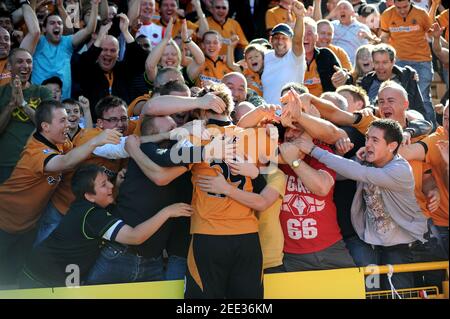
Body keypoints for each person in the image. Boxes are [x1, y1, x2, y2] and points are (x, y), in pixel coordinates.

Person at [295, 117, 428, 289]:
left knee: (398, 294)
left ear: (392, 146)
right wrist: (342, 157)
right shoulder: (367, 160)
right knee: (369, 293)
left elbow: (358, 172)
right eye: (367, 138)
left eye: (375, 140)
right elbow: (343, 174)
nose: (368, 144)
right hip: (369, 241)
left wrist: (313, 150)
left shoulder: (400, 169)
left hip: (399, 245)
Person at [0, 99, 121, 286]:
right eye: (62, 121)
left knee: (15, 277)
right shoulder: (36, 152)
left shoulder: (62, 144)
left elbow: (78, 153)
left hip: (26, 226)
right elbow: (66, 163)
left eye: (68, 119)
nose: (69, 124)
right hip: (4, 222)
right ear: (45, 127)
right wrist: (96, 139)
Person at [19, 164, 192, 288]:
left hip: (48, 275)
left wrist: (114, 187)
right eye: (104, 185)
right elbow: (134, 237)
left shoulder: (83, 206)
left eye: (108, 181)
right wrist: (168, 212)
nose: (110, 185)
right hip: (40, 281)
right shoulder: (93, 216)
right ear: (89, 195)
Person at [380, 0, 436, 128]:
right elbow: (384, 37)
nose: (402, 10)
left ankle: (431, 130)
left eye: (405, 6)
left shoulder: (421, 14)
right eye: (398, 7)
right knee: (402, 99)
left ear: (410, 2)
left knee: (423, 98)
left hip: (422, 61)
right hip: (399, 63)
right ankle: (407, 129)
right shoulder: (387, 15)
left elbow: (431, 35)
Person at [0, 48, 52, 184]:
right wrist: (11, 104)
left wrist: (23, 104)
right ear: (9, 66)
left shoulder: (43, 92)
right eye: (20, 62)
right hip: (6, 161)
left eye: (29, 62)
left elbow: (48, 126)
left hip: (36, 161)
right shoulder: (1, 92)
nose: (25, 66)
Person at [30, 0, 100, 100]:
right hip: (39, 102)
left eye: (60, 23)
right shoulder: (37, 41)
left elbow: (89, 30)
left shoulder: (67, 42)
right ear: (44, 29)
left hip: (62, 102)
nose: (57, 25)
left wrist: (95, 5)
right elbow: (32, 27)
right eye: (52, 23)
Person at [262, 0, 306, 105]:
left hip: (290, 116)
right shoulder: (266, 56)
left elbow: (298, 41)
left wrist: (300, 17)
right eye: (276, 38)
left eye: (284, 38)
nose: (280, 41)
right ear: (270, 40)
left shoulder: (295, 57)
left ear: (291, 40)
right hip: (268, 116)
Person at [331, 0, 371, 65]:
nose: (342, 10)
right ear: (336, 13)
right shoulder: (331, 26)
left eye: (345, 8)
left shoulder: (362, 28)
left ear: (352, 12)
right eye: (339, 8)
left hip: (353, 66)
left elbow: (367, 50)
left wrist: (368, 37)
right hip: (334, 64)